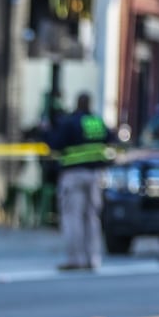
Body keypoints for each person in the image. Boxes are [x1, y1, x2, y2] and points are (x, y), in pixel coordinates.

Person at [47, 92, 113, 271]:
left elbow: (54, 143)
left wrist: (47, 130)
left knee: (72, 217)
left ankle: (75, 259)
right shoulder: (97, 122)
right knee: (92, 218)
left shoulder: (70, 122)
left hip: (73, 175)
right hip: (95, 175)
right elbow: (110, 138)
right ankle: (93, 258)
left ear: (77, 103)